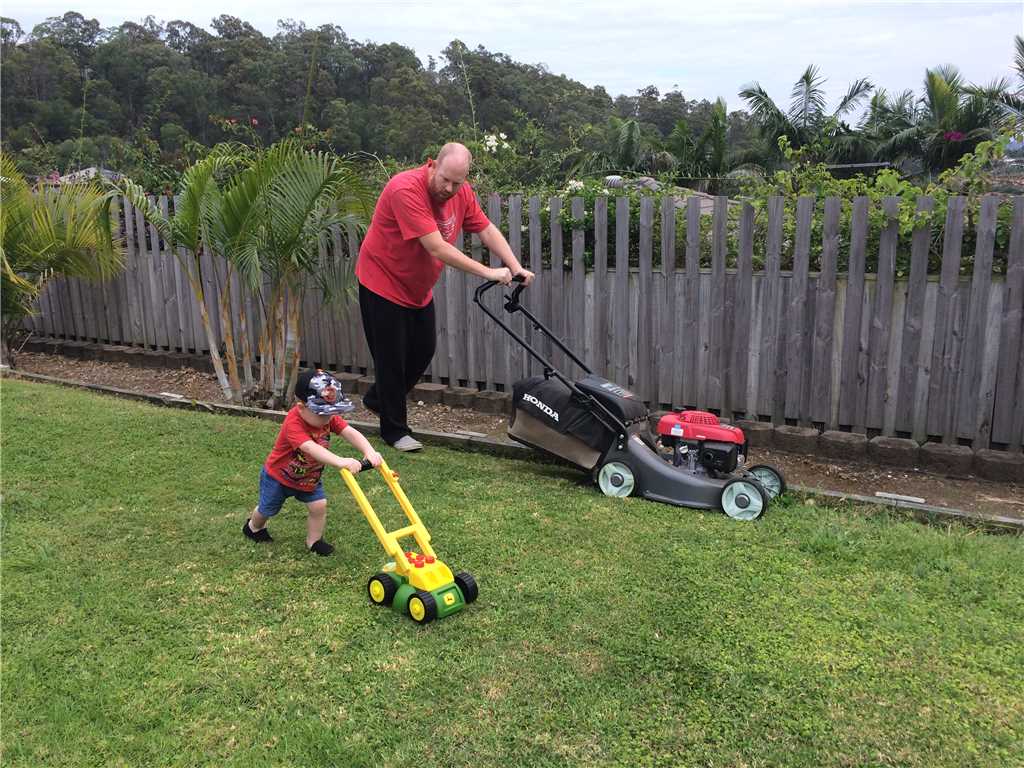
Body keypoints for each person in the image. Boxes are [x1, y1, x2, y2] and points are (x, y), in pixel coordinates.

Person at [356, 141, 535, 451]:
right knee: (391, 359)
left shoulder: (461, 193)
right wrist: (489, 272)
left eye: (457, 182)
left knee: (423, 351)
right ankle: (394, 431)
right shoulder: (405, 189)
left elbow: (486, 229)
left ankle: (377, 399)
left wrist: (514, 266)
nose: (449, 189)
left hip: (416, 289)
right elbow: (437, 247)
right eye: (445, 180)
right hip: (381, 282)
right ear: (433, 165)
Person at [243, 369, 382, 555]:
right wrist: (340, 461)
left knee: (318, 506)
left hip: (309, 477)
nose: (328, 418)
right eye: (322, 414)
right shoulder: (293, 423)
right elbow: (310, 448)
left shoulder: (328, 417)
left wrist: (369, 451)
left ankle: (314, 541)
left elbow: (349, 432)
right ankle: (253, 527)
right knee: (267, 509)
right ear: (301, 407)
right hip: (279, 477)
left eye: (331, 413)